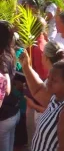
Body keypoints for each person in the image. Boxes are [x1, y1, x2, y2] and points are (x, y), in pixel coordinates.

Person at [21, 51, 64, 151]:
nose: (48, 82)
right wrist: (26, 67)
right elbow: (38, 89)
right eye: (49, 78)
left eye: (54, 80)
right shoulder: (56, 98)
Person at [0, 21, 19, 151]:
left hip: (4, 116)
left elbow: (6, 90)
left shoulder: (2, 59)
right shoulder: (10, 53)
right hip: (13, 111)